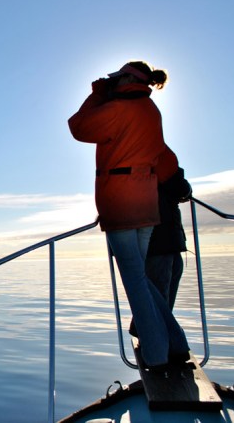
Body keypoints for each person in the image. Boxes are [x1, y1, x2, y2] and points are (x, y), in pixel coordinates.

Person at [68, 60, 190, 370]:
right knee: (141, 279)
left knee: (136, 281)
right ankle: (176, 343)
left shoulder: (118, 109)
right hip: (146, 202)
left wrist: (97, 94)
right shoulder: (150, 109)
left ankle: (157, 355)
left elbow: (78, 126)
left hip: (121, 202)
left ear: (125, 80)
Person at [146, 146, 192, 310]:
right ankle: (152, 334)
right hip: (161, 238)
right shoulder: (154, 149)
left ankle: (147, 333)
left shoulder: (129, 150)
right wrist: (186, 190)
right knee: (160, 298)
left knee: (154, 295)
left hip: (157, 237)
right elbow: (180, 187)